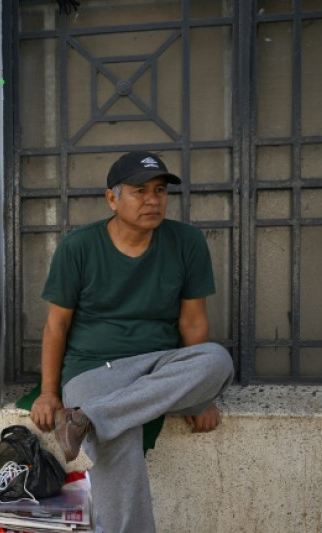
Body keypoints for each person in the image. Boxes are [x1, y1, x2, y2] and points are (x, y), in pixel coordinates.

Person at [28, 151, 234, 533]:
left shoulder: (186, 242)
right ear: (112, 198)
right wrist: (47, 392)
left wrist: (203, 397)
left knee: (217, 360)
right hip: (92, 367)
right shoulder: (79, 247)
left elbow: (192, 321)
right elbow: (56, 326)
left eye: (160, 191)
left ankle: (89, 418)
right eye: (140, 191)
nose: (153, 200)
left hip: (158, 365)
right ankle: (96, 417)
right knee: (119, 440)